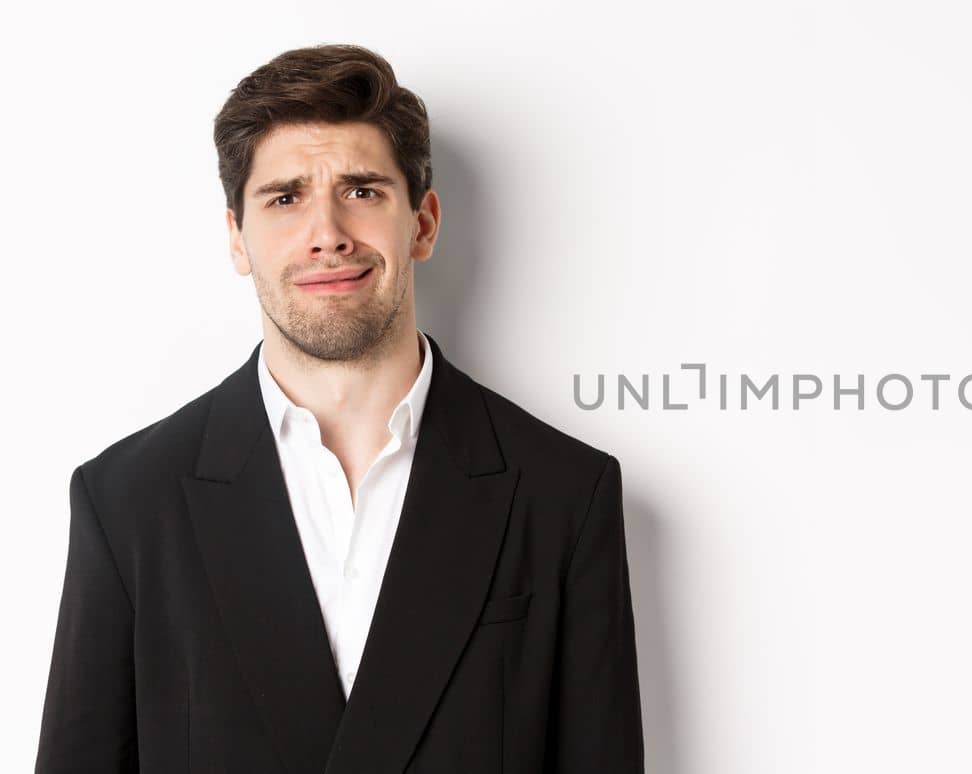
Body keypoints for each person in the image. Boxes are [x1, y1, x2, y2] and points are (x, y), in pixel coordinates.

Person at [34, 43, 645, 773]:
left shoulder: (564, 496)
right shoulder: (127, 502)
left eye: (361, 190)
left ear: (422, 223)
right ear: (237, 236)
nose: (327, 233)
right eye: (285, 197)